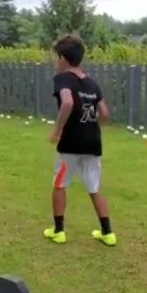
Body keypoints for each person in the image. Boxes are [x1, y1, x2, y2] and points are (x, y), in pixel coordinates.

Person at [43, 34, 116, 246]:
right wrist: (92, 126)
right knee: (94, 187)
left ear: (64, 59)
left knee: (60, 183)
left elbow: (66, 102)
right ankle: (107, 232)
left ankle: (58, 231)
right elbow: (104, 113)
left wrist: (57, 131)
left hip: (71, 143)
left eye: (57, 58)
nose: (56, 63)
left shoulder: (63, 78)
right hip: (93, 142)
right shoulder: (91, 82)